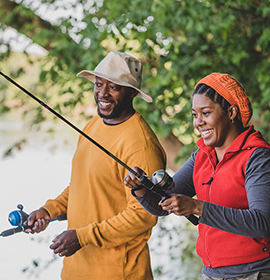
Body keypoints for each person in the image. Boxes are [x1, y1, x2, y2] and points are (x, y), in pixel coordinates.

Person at [25, 51, 166, 280]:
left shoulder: (141, 145)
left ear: (131, 93)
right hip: (75, 272)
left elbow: (144, 215)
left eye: (114, 87)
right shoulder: (92, 126)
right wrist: (49, 211)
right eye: (99, 84)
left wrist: (82, 237)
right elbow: (82, 186)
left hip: (119, 274)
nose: (102, 93)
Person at [124, 73, 270, 280]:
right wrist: (140, 188)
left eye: (205, 113)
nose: (198, 123)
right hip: (211, 273)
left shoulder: (259, 157)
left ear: (231, 112)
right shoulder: (202, 156)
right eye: (194, 115)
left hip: (257, 272)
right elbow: (162, 205)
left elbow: (261, 223)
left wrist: (197, 207)